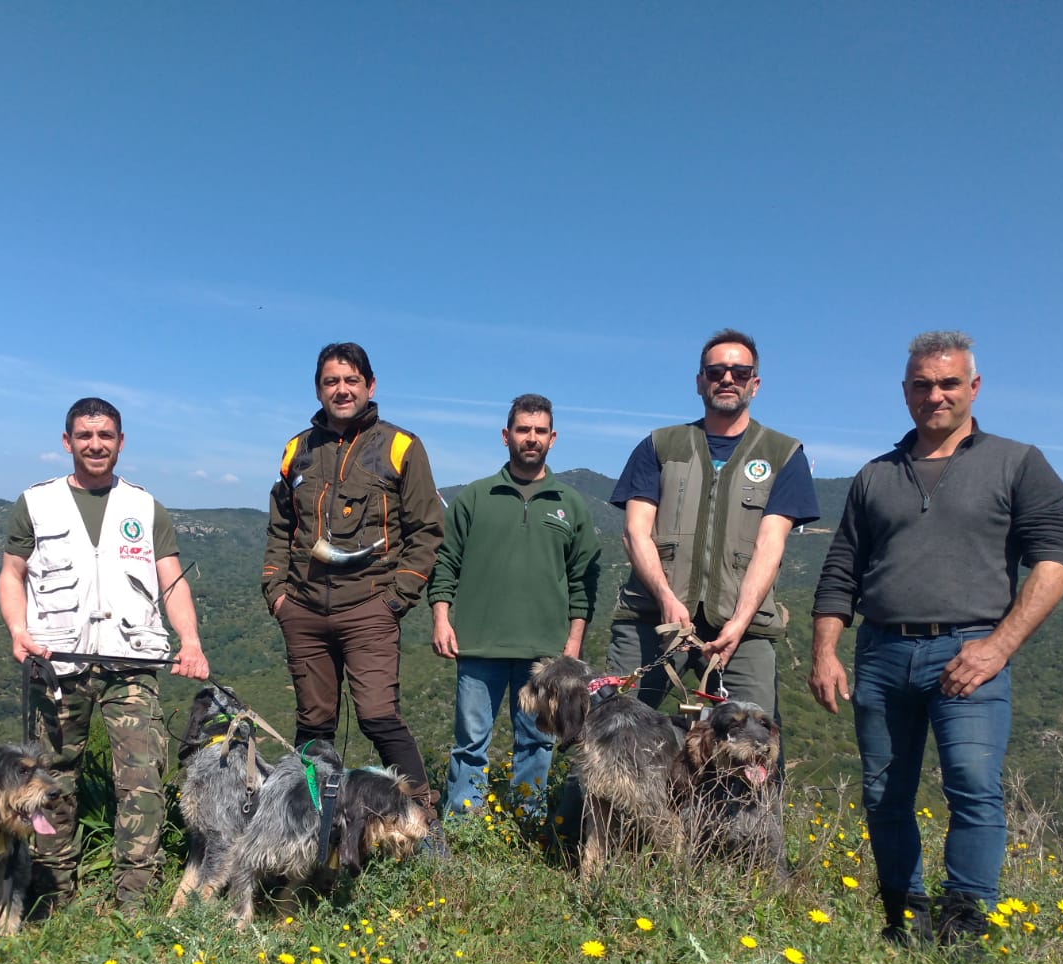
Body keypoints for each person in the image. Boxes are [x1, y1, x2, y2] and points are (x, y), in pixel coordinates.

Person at [810, 331, 1063, 947]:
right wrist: (824, 652)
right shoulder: (875, 475)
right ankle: (906, 921)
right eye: (922, 385)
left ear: (974, 387)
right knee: (884, 795)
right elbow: (841, 571)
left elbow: (1055, 564)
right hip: (880, 653)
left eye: (949, 383)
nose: (936, 395)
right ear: (905, 392)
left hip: (971, 652)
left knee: (974, 787)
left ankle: (966, 928)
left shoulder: (1018, 462)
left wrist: (998, 647)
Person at [0, 397, 211, 912]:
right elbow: (12, 573)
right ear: (67, 441)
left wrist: (190, 641)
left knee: (142, 781)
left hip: (131, 662)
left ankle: (134, 900)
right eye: (85, 436)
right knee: (50, 779)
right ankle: (52, 896)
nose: (96, 445)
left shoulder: (144, 506)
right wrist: (17, 631)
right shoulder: (36, 502)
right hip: (56, 660)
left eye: (106, 436)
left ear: (120, 442)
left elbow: (171, 580)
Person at [262, 342, 444, 818]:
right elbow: (280, 526)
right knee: (313, 725)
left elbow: (426, 530)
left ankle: (422, 822)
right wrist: (277, 592)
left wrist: (396, 598)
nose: (341, 390)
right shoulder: (297, 449)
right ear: (318, 389)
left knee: (379, 717)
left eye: (351, 380)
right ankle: (309, 824)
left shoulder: (401, 447)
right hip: (303, 609)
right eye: (331, 382)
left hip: (370, 607)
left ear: (370, 385)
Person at [607, 330, 818, 718]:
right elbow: (635, 531)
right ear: (699, 381)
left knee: (754, 740)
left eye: (740, 372)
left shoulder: (783, 455)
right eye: (716, 371)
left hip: (744, 628)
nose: (727, 379)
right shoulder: (658, 445)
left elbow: (770, 546)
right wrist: (666, 598)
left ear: (755, 383)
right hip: (652, 618)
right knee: (613, 728)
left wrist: (739, 623)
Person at [428, 394, 601, 819]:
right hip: (477, 645)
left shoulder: (570, 503)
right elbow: (445, 562)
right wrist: (441, 618)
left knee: (538, 741)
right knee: (470, 743)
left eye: (540, 431)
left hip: (544, 654)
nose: (531, 438)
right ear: (506, 435)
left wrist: (572, 645)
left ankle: (528, 821)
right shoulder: (475, 497)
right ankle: (465, 825)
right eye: (523, 430)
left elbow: (584, 580)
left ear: (553, 438)